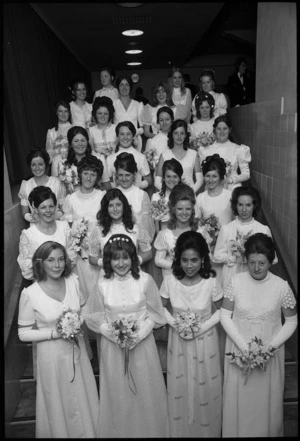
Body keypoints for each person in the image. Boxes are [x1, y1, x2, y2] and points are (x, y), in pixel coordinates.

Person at [83, 234, 169, 437]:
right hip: (113, 348)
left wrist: (138, 336)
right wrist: (112, 334)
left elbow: (156, 313)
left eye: (125, 258)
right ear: (108, 261)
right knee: (118, 392)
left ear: (133, 258)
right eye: (115, 258)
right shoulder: (102, 283)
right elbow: (93, 315)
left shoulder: (145, 281)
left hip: (142, 344)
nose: (120, 263)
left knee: (144, 388)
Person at [18, 241, 99, 438]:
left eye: (61, 259)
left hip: (76, 352)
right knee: (58, 401)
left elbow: (84, 308)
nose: (57, 265)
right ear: (40, 263)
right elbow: (23, 333)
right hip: (51, 356)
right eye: (51, 260)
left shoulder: (73, 281)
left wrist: (77, 321)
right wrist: (55, 333)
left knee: (82, 396)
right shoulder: (30, 293)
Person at [220, 233, 297, 437]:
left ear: (270, 261)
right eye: (252, 262)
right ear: (246, 260)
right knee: (240, 401)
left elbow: (291, 321)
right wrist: (244, 348)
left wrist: (269, 348)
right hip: (239, 351)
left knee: (264, 403)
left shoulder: (281, 286)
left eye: (261, 263)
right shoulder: (236, 282)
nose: (256, 267)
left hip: (269, 354)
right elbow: (225, 316)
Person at [160, 230, 223, 437]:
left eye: (194, 260)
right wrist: (178, 325)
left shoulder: (211, 282)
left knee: (205, 387)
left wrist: (200, 328)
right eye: (185, 260)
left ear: (203, 259)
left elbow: (223, 311)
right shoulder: (170, 281)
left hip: (205, 341)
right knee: (181, 386)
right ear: (178, 259)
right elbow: (160, 309)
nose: (189, 265)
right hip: (178, 342)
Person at [213, 185, 277, 289]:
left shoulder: (263, 229)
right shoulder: (226, 228)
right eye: (240, 205)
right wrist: (234, 258)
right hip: (231, 274)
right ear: (235, 205)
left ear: (254, 206)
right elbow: (216, 256)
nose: (243, 209)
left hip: (255, 276)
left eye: (248, 205)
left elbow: (273, 259)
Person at [62, 155, 106, 301]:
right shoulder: (71, 199)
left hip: (99, 251)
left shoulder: (102, 196)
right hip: (81, 253)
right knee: (84, 290)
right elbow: (68, 229)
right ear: (80, 174)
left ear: (98, 177)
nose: (89, 177)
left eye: (93, 174)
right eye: (86, 173)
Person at [88, 188, 153, 274]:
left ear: (124, 206)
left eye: (118, 205)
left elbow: (148, 253)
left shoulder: (135, 227)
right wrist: (106, 263)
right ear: (105, 209)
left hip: (132, 275)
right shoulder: (99, 229)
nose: (115, 209)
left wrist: (134, 262)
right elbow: (92, 258)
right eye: (111, 206)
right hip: (108, 276)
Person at [17, 186, 71, 282]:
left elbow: (71, 255)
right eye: (43, 207)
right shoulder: (29, 235)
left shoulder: (64, 227)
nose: (48, 211)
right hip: (42, 283)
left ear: (56, 207)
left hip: (65, 280)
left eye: (51, 206)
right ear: (36, 209)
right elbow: (26, 267)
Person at [154, 183, 198, 280]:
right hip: (173, 279)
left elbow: (206, 258)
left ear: (193, 209)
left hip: (195, 281)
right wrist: (178, 266)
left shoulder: (200, 232)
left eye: (188, 209)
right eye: (179, 209)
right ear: (173, 209)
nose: (184, 213)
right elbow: (158, 260)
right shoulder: (165, 234)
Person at [198, 114, 251, 191]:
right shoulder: (206, 150)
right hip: (212, 188)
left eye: (225, 128)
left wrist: (232, 180)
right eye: (219, 129)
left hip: (232, 187)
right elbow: (203, 173)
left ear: (229, 130)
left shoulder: (239, 149)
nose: (222, 132)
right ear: (214, 130)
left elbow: (246, 174)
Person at [53, 126, 110, 193]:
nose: (80, 144)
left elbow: (107, 186)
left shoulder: (99, 158)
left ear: (87, 142)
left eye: (83, 140)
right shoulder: (62, 162)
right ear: (70, 144)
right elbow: (58, 190)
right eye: (76, 141)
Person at [114, 152, 155, 241]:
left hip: (136, 241)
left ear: (134, 174)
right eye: (121, 175)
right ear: (116, 175)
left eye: (127, 175)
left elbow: (147, 227)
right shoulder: (112, 194)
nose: (124, 179)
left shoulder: (142, 195)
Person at [155, 119, 203, 193]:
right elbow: (157, 181)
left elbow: (200, 179)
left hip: (189, 196)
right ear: (171, 134)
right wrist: (169, 192)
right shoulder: (164, 155)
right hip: (169, 196)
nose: (179, 136)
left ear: (186, 135)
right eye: (176, 133)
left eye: (182, 133)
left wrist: (189, 192)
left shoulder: (193, 154)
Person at [18, 149, 65, 223]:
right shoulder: (26, 185)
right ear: (30, 166)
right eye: (33, 165)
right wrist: (35, 219)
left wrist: (50, 218)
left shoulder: (57, 183)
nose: (37, 168)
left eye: (40, 164)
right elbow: (24, 212)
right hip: (36, 225)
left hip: (55, 223)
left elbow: (63, 210)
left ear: (46, 164)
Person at [107, 121, 152, 190]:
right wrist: (117, 187)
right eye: (122, 134)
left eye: (128, 134)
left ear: (133, 136)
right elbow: (106, 181)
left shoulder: (141, 157)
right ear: (117, 136)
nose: (125, 137)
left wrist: (136, 186)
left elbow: (149, 180)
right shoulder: (110, 158)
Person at [150, 158, 183, 233]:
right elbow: (156, 226)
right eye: (168, 176)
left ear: (179, 178)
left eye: (175, 176)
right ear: (164, 178)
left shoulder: (185, 196)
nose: (171, 180)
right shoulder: (156, 197)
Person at [113, 74, 144, 151]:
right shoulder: (113, 104)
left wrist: (133, 133)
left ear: (130, 87)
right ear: (118, 87)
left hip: (135, 141)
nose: (124, 87)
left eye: (127, 85)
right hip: (118, 141)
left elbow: (142, 128)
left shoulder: (138, 104)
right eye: (121, 85)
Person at [144, 106, 174, 176]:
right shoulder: (152, 141)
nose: (164, 122)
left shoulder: (178, 139)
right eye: (161, 120)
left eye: (167, 119)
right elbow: (150, 167)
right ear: (158, 121)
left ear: (172, 120)